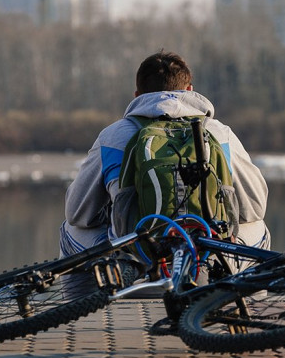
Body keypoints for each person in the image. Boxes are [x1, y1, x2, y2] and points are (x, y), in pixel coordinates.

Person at [59, 50, 270, 269]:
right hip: (209, 258)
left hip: (139, 258)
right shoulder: (219, 133)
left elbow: (77, 213)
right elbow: (254, 207)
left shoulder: (113, 136)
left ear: (137, 95)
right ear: (189, 90)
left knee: (69, 229)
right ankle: (232, 287)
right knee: (258, 226)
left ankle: (105, 284)